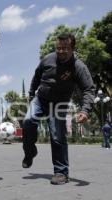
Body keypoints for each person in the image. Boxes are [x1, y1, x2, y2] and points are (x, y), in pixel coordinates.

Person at [22, 33, 95, 185]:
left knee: (57, 136)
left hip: (59, 104)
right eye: (58, 48)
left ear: (72, 49)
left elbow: (88, 89)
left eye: (65, 48)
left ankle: (61, 172)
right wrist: (30, 94)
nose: (61, 51)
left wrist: (85, 110)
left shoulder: (78, 67)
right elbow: (36, 77)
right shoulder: (48, 58)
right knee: (28, 121)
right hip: (40, 99)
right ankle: (30, 152)